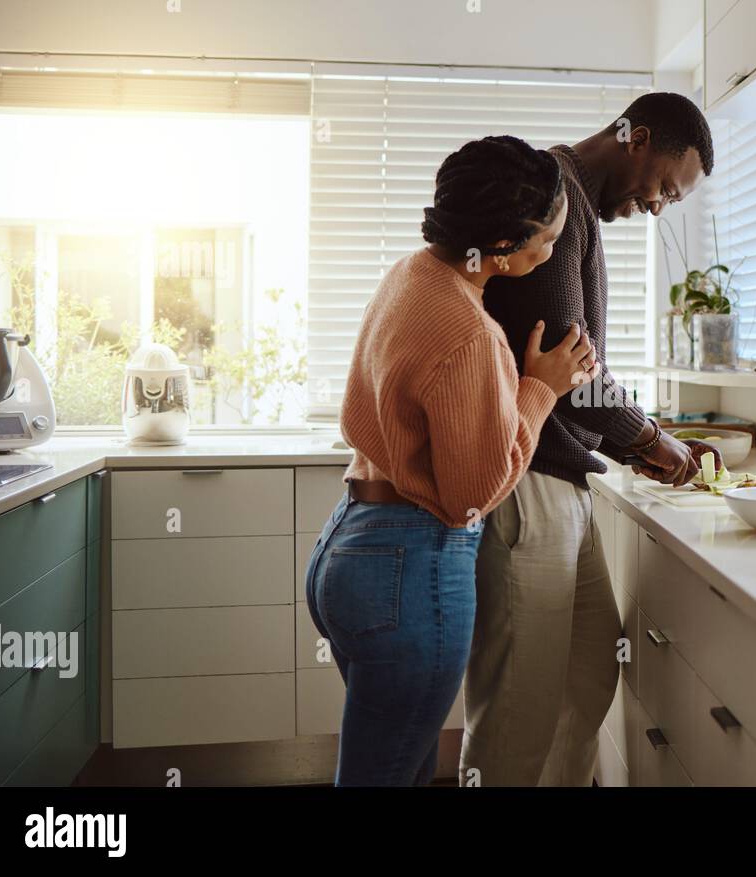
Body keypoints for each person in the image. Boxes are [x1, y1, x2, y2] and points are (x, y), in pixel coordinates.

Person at [305, 135, 598, 786]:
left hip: (347, 548)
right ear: (501, 249)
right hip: (410, 566)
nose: (551, 255)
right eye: (546, 243)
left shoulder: (411, 274)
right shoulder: (468, 331)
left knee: (390, 766)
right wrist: (540, 389)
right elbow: (473, 494)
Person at [465, 92, 719, 786]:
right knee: (518, 708)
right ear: (635, 138)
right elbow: (574, 371)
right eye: (665, 185)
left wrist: (642, 441)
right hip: (530, 483)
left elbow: (582, 368)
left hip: (561, 482)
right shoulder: (555, 197)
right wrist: (648, 438)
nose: (660, 205)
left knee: (586, 674)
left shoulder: (577, 204)